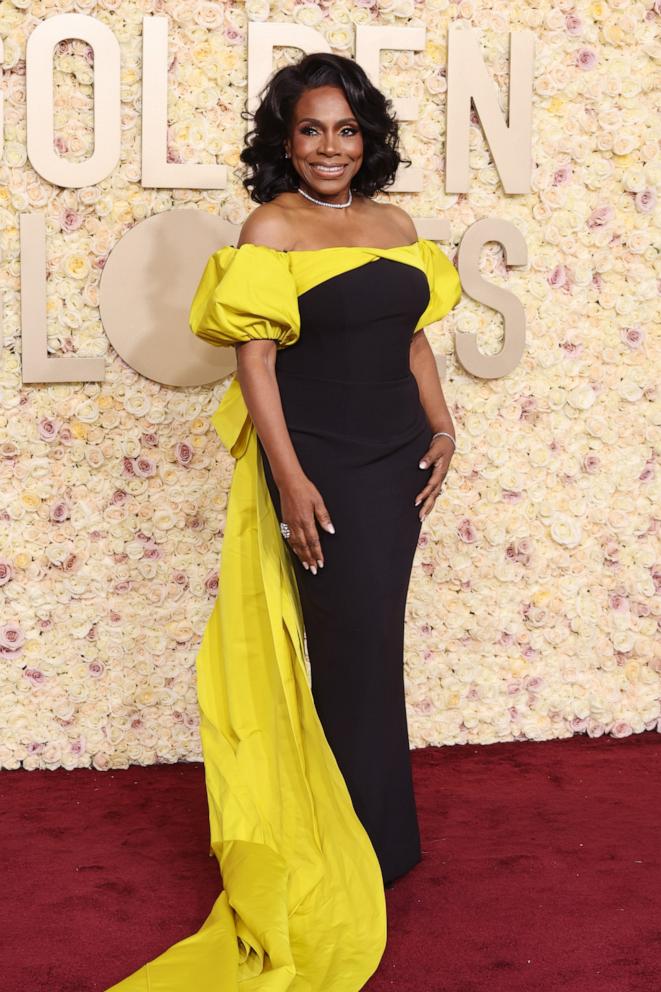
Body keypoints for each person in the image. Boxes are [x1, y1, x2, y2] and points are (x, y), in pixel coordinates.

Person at [105, 52, 460, 992]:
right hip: (322, 460)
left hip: (395, 457)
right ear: (284, 140)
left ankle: (378, 838)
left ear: (366, 137)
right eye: (310, 130)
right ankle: (349, 850)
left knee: (373, 642)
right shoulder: (270, 227)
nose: (329, 147)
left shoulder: (396, 224)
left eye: (345, 129)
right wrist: (289, 479)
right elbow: (254, 367)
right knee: (347, 647)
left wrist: (444, 424)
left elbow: (412, 338)